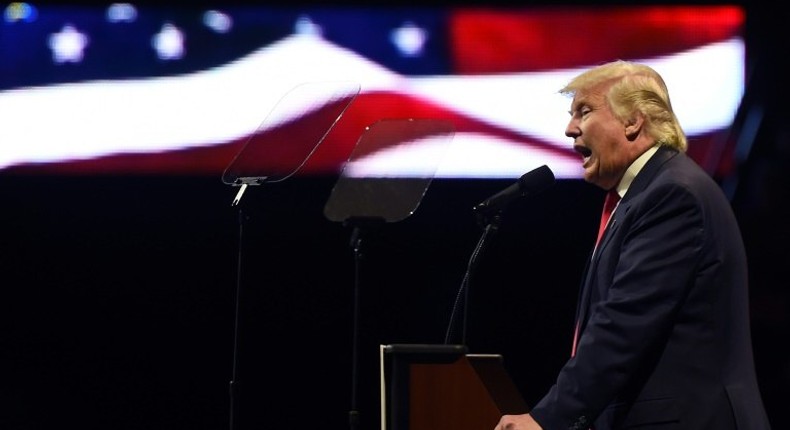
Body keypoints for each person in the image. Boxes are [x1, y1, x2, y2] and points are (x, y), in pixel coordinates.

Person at [495, 60, 772, 430]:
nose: (569, 128)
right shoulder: (642, 195)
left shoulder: (673, 196)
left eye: (585, 111)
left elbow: (622, 325)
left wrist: (546, 420)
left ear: (633, 121)